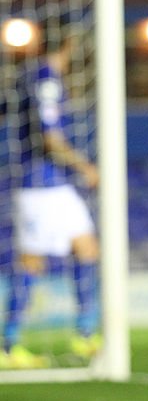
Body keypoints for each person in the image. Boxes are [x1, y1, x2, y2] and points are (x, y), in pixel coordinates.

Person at [1, 25, 101, 369]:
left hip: (51, 183)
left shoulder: (27, 75)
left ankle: (85, 334)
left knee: (86, 247)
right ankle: (9, 343)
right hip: (39, 184)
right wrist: (84, 166)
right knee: (33, 262)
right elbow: (49, 138)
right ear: (69, 43)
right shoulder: (45, 78)